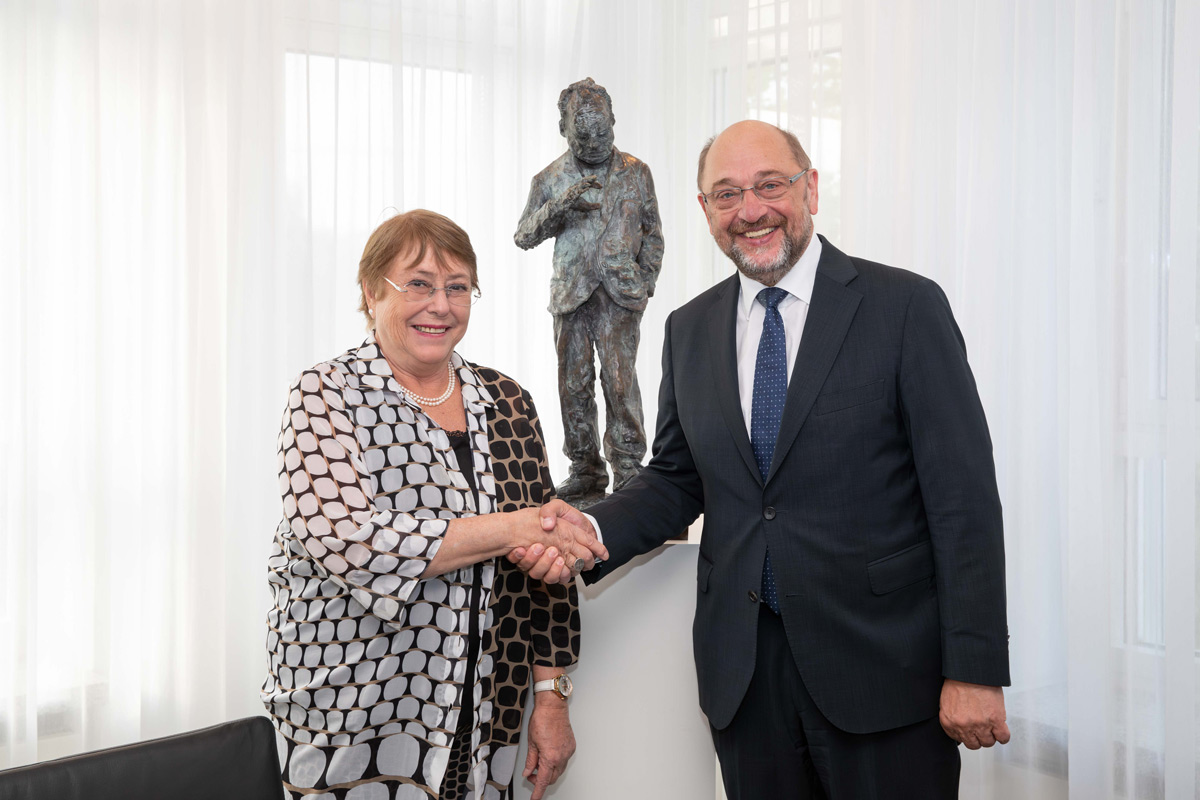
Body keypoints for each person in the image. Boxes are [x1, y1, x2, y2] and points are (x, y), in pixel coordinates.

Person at [517, 121, 1010, 798]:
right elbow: (675, 477)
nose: (749, 210)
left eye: (768, 185)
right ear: (705, 211)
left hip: (885, 673)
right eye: (726, 194)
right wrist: (590, 530)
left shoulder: (904, 308)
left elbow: (964, 501)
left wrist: (975, 668)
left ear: (809, 188)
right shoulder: (688, 328)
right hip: (745, 677)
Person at [263, 209, 607, 800]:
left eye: (457, 287)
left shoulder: (507, 401)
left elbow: (543, 573)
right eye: (418, 284)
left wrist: (551, 698)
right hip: (354, 713)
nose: (440, 305)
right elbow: (351, 542)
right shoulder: (325, 394)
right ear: (372, 292)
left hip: (485, 714)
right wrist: (514, 527)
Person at [514, 77, 665, 503]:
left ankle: (630, 468)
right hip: (572, 294)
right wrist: (560, 206)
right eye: (583, 132)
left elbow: (653, 233)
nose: (595, 139)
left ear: (614, 121)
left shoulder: (637, 172)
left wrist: (646, 279)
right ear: (563, 129)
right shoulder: (549, 178)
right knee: (573, 384)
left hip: (621, 292)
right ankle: (585, 470)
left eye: (603, 130)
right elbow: (523, 235)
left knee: (621, 382)